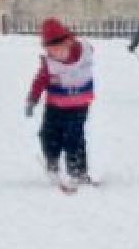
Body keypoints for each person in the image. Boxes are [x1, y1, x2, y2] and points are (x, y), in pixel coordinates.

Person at [24, 18, 97, 191]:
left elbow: (90, 49)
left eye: (59, 50)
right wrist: (32, 99)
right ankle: (52, 161)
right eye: (50, 51)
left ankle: (78, 172)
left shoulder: (84, 51)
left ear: (69, 42)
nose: (55, 55)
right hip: (55, 106)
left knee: (74, 138)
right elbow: (39, 82)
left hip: (79, 105)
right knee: (47, 135)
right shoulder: (49, 64)